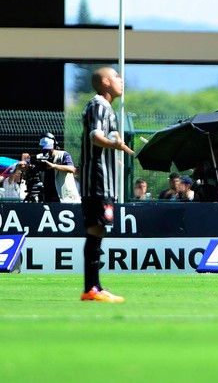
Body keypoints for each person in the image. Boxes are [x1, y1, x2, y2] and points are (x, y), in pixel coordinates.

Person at [79, 67, 134, 302]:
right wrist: (116, 146)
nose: (121, 80)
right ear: (104, 82)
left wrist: (116, 145)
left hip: (104, 182)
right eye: (116, 77)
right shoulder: (98, 104)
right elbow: (95, 136)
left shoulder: (105, 107)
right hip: (97, 181)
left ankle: (95, 288)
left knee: (98, 230)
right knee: (94, 230)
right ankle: (92, 289)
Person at [37, 134, 81, 203]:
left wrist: (53, 166)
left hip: (65, 197)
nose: (46, 151)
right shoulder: (39, 157)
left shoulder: (63, 155)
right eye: (44, 149)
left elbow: (71, 169)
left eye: (48, 149)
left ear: (54, 145)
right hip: (48, 196)